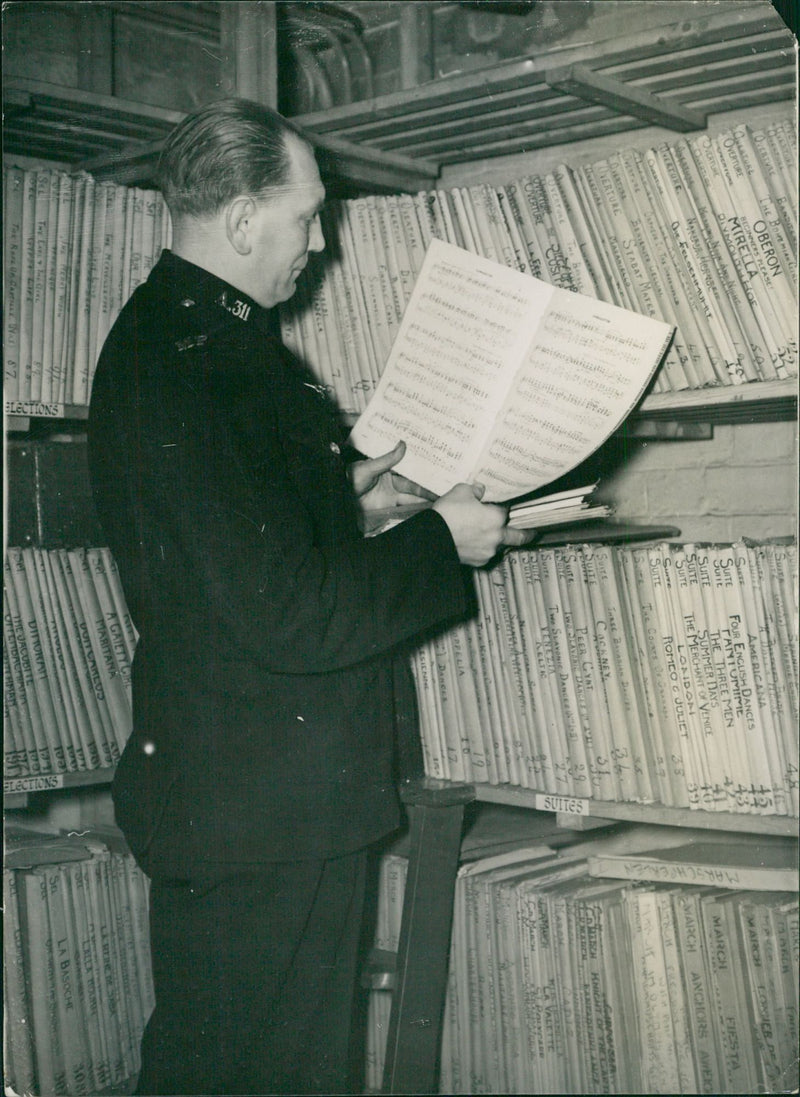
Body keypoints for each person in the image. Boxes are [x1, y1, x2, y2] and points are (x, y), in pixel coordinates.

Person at [87, 98, 529, 1096]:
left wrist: (346, 503)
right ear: (244, 219)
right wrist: (440, 541)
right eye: (307, 215)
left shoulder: (188, 340)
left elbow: (230, 555)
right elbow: (287, 613)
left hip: (253, 795)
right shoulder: (199, 362)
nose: (319, 243)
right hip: (261, 808)